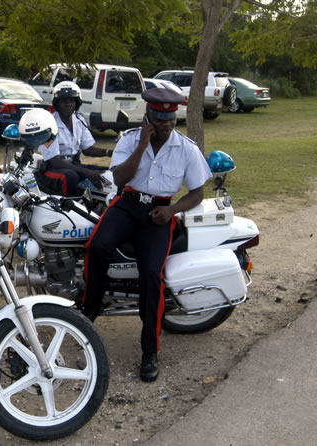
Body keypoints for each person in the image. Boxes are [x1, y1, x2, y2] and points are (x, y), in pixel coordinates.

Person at [83, 88, 212, 383]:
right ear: (148, 117)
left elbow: (197, 192)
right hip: (127, 204)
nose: (166, 124)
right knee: (97, 246)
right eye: (159, 119)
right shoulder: (130, 141)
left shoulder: (187, 149)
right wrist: (142, 146)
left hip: (160, 213)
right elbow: (118, 179)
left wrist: (173, 211)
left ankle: (150, 351)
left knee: (152, 275)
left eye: (170, 119)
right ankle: (91, 306)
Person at [37, 81, 113, 196]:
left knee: (107, 172)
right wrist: (87, 172)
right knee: (71, 177)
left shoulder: (79, 120)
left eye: (71, 100)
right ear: (57, 103)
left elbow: (87, 149)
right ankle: (68, 209)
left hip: (74, 165)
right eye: (64, 101)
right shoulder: (49, 124)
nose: (68, 104)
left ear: (77, 103)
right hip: (53, 169)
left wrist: (110, 152)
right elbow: (55, 161)